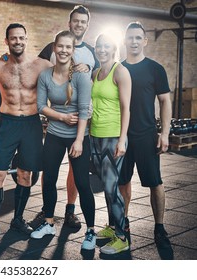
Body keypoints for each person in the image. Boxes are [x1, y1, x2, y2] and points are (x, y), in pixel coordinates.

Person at [0, 23, 52, 241]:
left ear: (26, 39)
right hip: (6, 123)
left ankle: (18, 219)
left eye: (21, 38)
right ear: (6, 41)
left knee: (25, 175)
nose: (17, 41)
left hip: (31, 124)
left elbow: (65, 76)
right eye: (13, 38)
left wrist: (82, 67)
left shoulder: (42, 65)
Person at [30, 30, 97, 251]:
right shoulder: (46, 76)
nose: (64, 50)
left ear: (72, 50)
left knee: (83, 183)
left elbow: (85, 109)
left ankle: (90, 231)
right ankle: (49, 222)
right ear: (54, 48)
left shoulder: (80, 76)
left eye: (68, 47)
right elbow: (41, 106)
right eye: (60, 46)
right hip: (55, 134)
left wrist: (79, 140)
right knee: (48, 179)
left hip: (78, 137)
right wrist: (62, 117)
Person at [118, 22, 173, 252]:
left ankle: (159, 228)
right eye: (130, 37)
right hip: (121, 135)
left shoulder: (155, 69)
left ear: (145, 41)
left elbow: (165, 101)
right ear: (125, 40)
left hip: (146, 134)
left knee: (155, 182)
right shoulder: (118, 69)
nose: (134, 41)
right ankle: (123, 225)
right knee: (122, 182)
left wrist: (165, 133)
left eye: (138, 38)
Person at [89, 33, 132, 254]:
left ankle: (122, 237)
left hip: (113, 136)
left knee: (111, 186)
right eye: (99, 46)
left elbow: (126, 108)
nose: (102, 49)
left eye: (106, 46)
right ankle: (113, 227)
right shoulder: (96, 73)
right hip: (95, 136)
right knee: (106, 186)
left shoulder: (120, 72)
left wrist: (122, 139)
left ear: (113, 48)